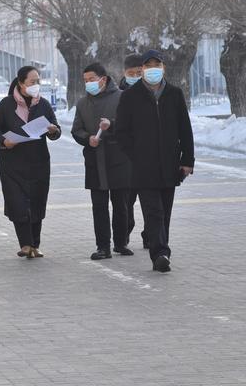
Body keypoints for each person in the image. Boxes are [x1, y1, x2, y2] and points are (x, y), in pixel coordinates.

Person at [115, 49, 195, 273]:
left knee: (165, 211)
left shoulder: (174, 94)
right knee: (153, 211)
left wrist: (187, 160)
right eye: (148, 66)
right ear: (142, 70)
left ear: (163, 68)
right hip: (143, 167)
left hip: (170, 164)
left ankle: (161, 247)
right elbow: (121, 132)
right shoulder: (130, 96)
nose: (153, 70)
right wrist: (136, 154)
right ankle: (160, 253)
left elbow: (185, 129)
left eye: (156, 65)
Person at [0, 66, 61, 258]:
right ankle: (25, 244)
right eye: (32, 82)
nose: (36, 85)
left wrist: (53, 130)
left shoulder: (43, 105)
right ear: (21, 84)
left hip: (38, 161)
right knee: (18, 203)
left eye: (38, 81)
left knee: (37, 201)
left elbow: (55, 129)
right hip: (12, 162)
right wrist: (4, 141)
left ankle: (35, 245)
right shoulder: (6, 105)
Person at [71, 63, 133, 260]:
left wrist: (111, 126)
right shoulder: (82, 104)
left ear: (103, 79)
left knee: (121, 204)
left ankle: (121, 243)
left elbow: (131, 125)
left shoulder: (122, 98)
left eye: (92, 79)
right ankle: (103, 246)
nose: (88, 83)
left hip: (119, 159)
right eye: (86, 80)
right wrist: (87, 138)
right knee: (99, 206)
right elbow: (76, 129)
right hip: (94, 160)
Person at [119, 53, 148, 248]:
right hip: (126, 157)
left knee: (151, 200)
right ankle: (125, 232)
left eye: (139, 72)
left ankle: (151, 236)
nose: (135, 76)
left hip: (148, 156)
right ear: (124, 73)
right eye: (132, 73)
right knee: (126, 201)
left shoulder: (153, 91)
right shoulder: (118, 92)